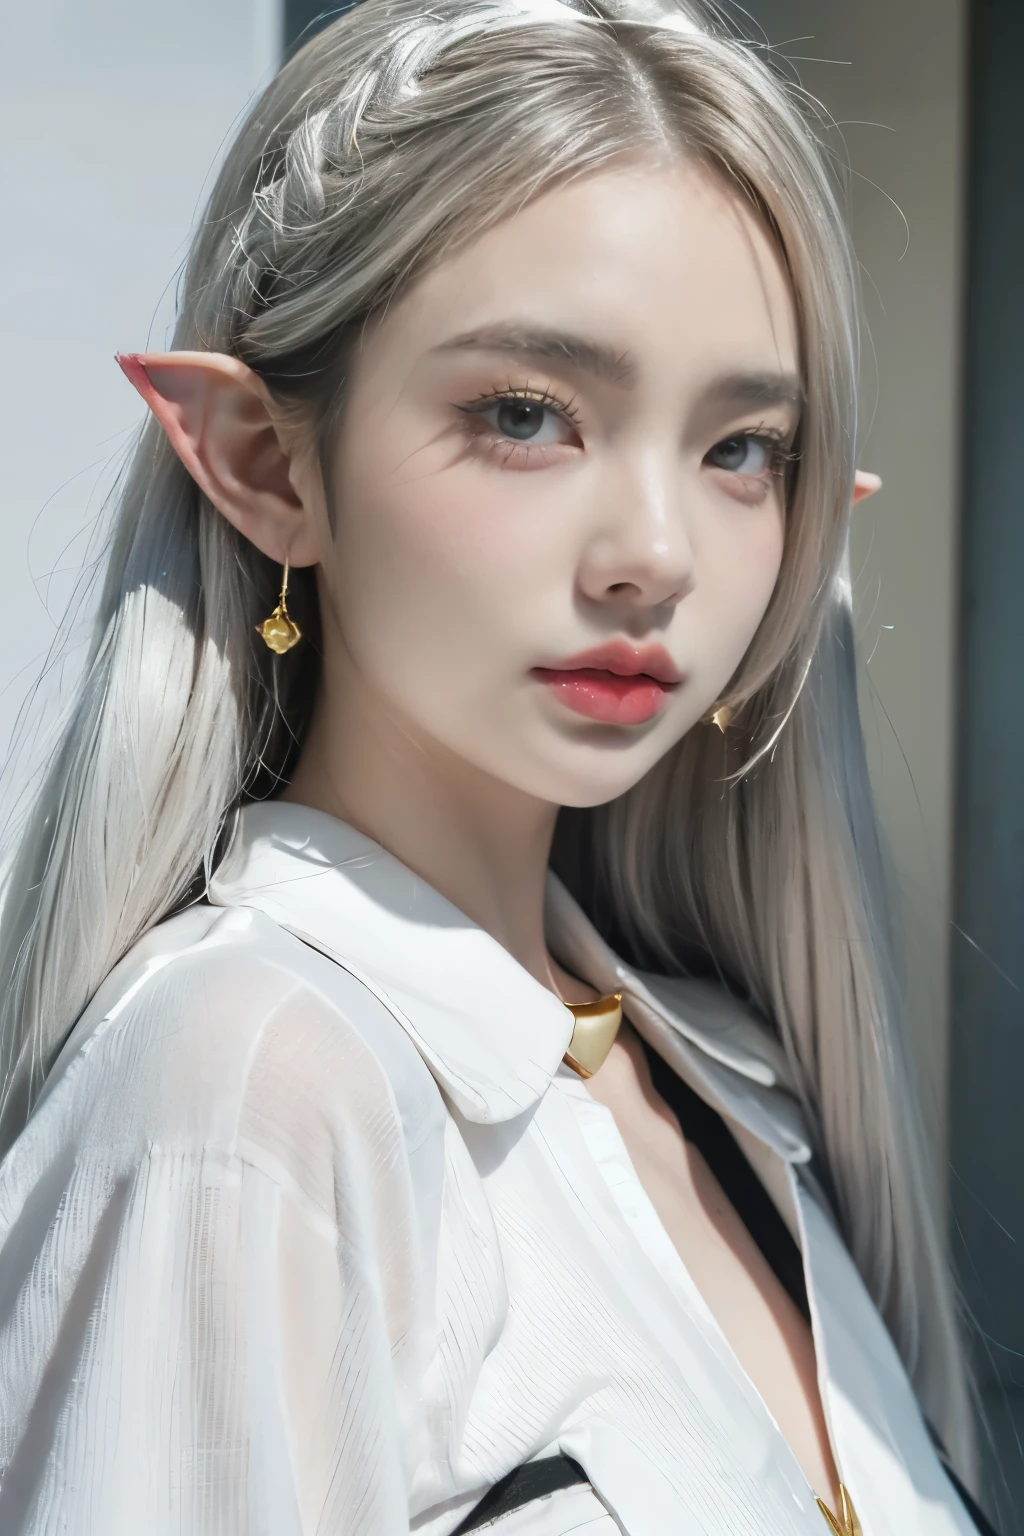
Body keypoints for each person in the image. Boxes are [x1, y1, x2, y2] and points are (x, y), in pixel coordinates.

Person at [0, 0, 995, 1530]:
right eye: (527, 415)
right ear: (265, 462)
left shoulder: (724, 1082)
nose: (655, 556)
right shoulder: (253, 1085)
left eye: (742, 449)